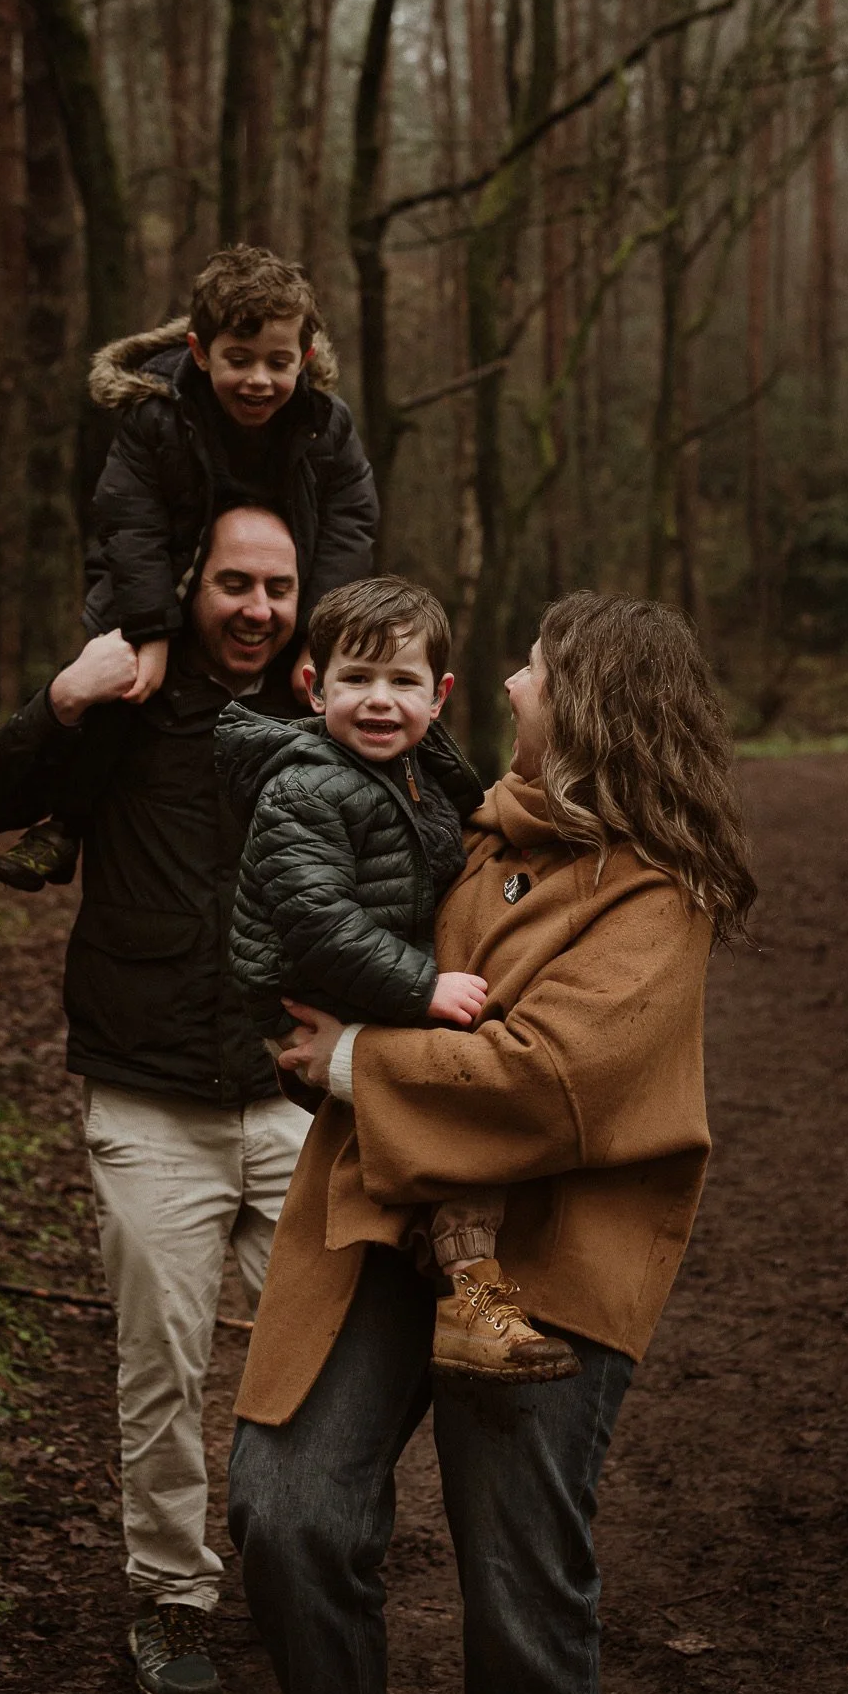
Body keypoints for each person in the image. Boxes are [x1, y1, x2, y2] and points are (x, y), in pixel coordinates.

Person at [226, 590, 757, 1694]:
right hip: (380, 1214)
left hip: (544, 1264)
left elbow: (547, 1077)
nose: (513, 684)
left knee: (517, 1587)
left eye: (533, 668)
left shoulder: (658, 891)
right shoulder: (456, 824)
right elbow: (316, 929)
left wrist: (355, 1061)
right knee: (287, 1510)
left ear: (587, 708)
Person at [0, 505, 316, 1694]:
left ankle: (298, 1560)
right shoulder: (121, 709)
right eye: (234, 583)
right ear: (191, 586)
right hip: (147, 1096)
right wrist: (62, 696)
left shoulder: (327, 710)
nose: (256, 607)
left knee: (321, 1352)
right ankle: (170, 1594)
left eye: (276, 585)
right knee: (159, 1363)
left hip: (292, 1094)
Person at [215, 574, 581, 1383]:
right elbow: (315, 925)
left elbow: (465, 816)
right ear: (313, 687)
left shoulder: (411, 769)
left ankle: (455, 1280)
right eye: (356, 679)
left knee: (470, 1105)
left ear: (439, 695)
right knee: (471, 1102)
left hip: (368, 982)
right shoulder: (303, 786)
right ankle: (473, 1304)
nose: (378, 701)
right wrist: (423, 988)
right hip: (314, 995)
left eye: (402, 682)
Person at [0, 244, 377, 892]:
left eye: (278, 363)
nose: (259, 380)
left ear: (303, 360)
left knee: (311, 700)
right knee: (124, 689)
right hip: (155, 583)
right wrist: (151, 630)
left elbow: (350, 524)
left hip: (269, 592)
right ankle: (68, 823)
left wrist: (318, 626)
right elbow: (128, 521)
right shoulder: (157, 417)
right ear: (200, 352)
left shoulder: (323, 426)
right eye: (238, 360)